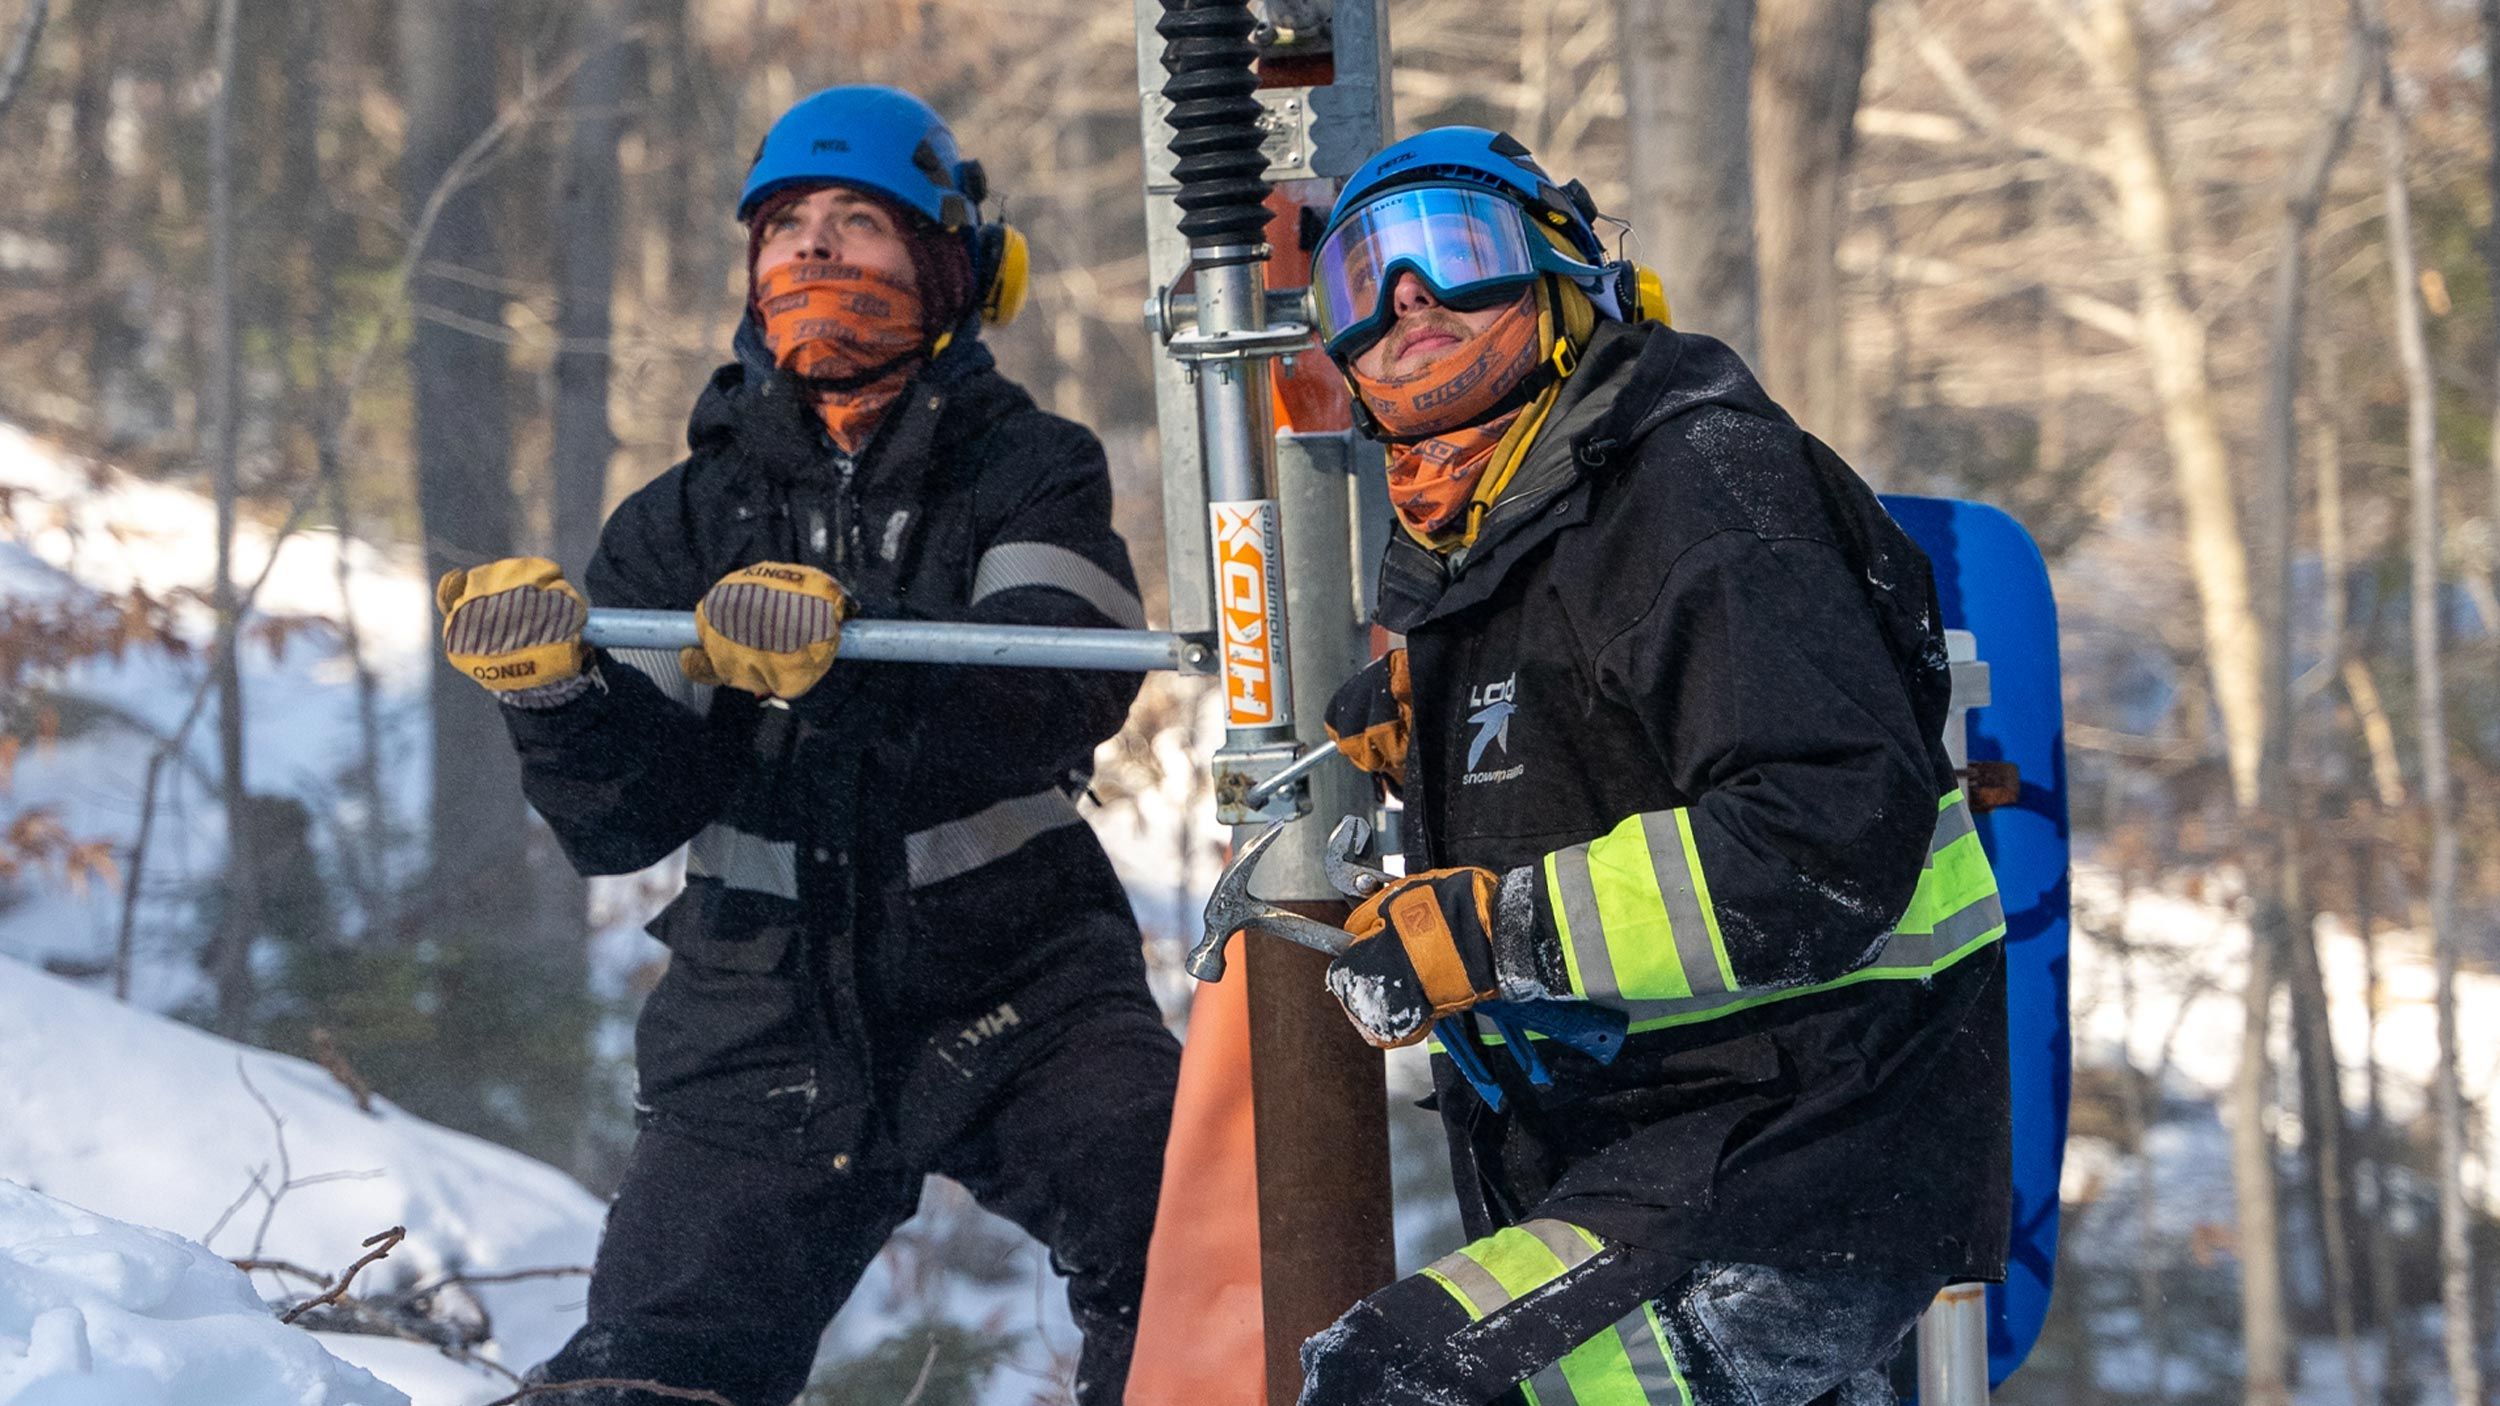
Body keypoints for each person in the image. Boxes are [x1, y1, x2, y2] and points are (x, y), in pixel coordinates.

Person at [433, 85, 1177, 1406]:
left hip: (1020, 982)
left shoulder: (1032, 470)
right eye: (786, 228)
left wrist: (843, 667)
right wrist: (552, 697)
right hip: (756, 1008)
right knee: (645, 1371)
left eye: (859, 223)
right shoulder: (678, 518)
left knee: (1193, 1266)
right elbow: (622, 822)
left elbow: (1059, 680)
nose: (816, 253)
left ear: (951, 265)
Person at [1302, 127, 2012, 1406]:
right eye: (1361, 284)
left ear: (1569, 283)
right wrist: (1476, 711)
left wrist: (1501, 927)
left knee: (1399, 1383)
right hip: (1666, 1157)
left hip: (1795, 1157)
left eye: (1455, 254)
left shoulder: (1700, 488)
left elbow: (1823, 830)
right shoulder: (1506, 529)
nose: (1408, 301)